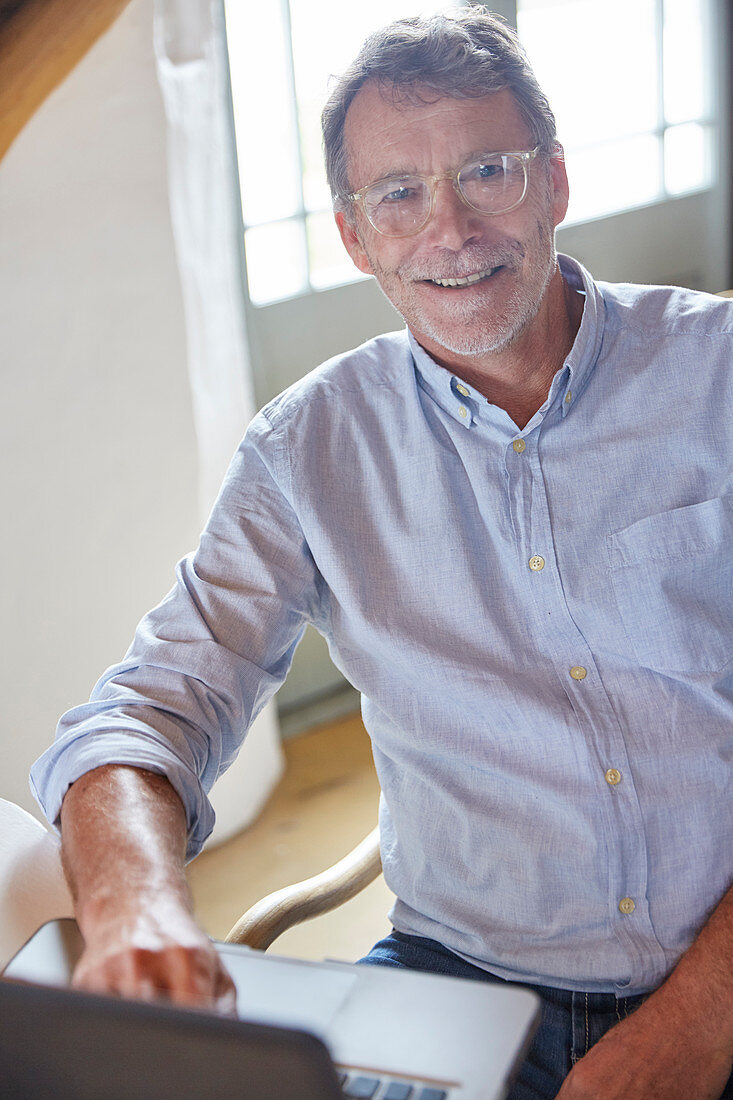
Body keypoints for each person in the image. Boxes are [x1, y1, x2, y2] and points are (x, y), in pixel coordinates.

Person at [31, 8, 732, 1099]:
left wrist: (701, 1015)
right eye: (398, 194)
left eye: (486, 172)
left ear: (552, 182)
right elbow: (141, 714)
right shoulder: (306, 449)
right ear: (355, 235)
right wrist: (135, 905)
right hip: (460, 981)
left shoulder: (717, 376)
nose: (448, 231)